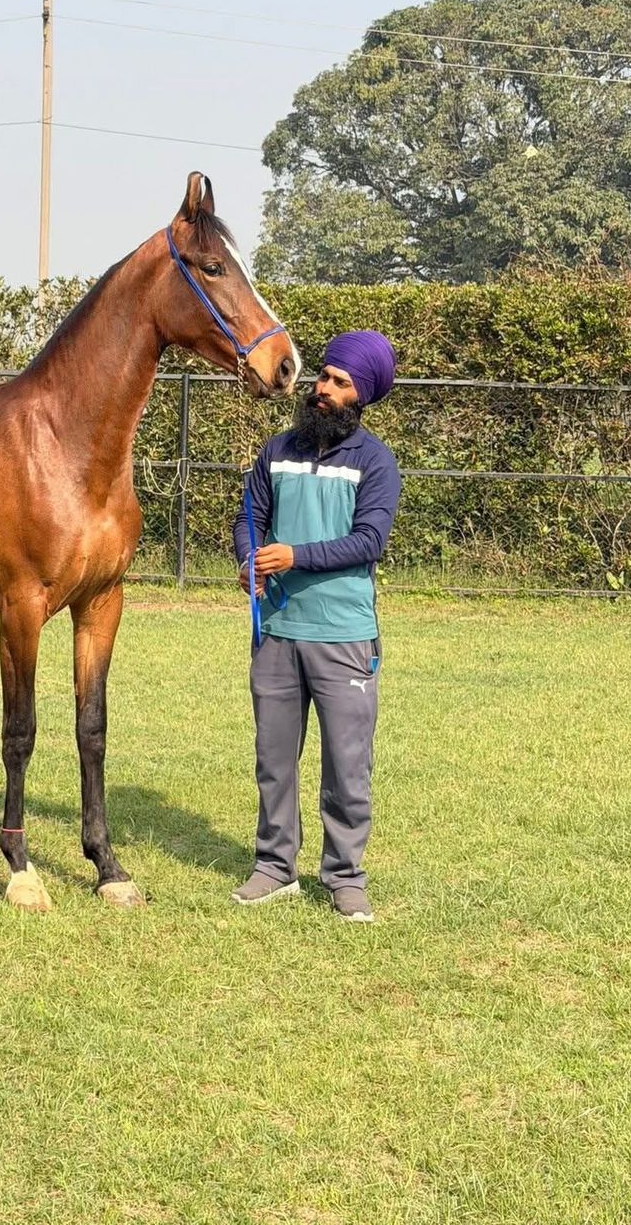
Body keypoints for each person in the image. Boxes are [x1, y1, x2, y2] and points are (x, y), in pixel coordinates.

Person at [231, 330, 401, 922]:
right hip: (277, 631)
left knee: (347, 766)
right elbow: (250, 517)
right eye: (324, 375)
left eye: (340, 382)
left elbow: (368, 541)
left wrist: (293, 556)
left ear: (362, 396)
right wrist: (249, 560)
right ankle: (274, 867)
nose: (323, 387)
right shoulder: (276, 450)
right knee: (274, 760)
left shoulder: (376, 463)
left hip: (344, 636)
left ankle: (345, 877)